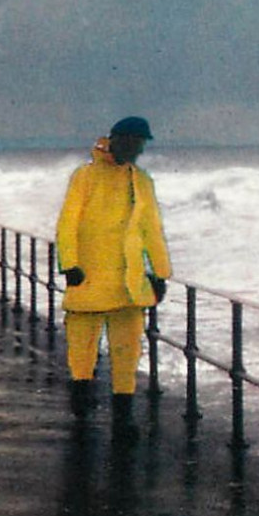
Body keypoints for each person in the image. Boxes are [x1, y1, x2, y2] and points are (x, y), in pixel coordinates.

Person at [56, 116, 172, 440]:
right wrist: (69, 264)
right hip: (89, 278)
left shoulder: (142, 181)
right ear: (115, 139)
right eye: (133, 142)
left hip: (129, 284)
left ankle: (123, 419)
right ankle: (81, 404)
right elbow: (68, 222)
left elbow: (152, 231)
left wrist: (160, 274)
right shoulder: (85, 176)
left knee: (127, 351)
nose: (137, 149)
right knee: (82, 349)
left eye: (141, 144)